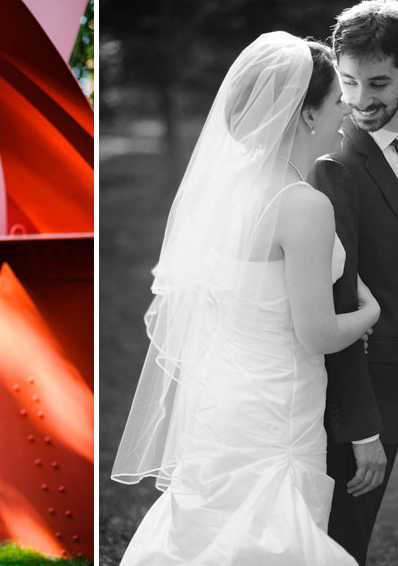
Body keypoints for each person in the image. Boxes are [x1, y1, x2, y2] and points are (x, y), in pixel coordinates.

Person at [111, 32, 380, 565]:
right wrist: (370, 312)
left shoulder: (230, 189)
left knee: (212, 530)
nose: (345, 114)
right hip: (276, 406)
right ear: (304, 114)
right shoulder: (302, 204)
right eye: (333, 103)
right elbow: (318, 333)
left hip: (221, 398)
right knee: (271, 535)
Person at [308, 0, 398, 566]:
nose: (360, 100)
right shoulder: (339, 169)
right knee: (339, 546)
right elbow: (336, 303)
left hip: (393, 390)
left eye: (378, 84)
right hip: (359, 408)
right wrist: (361, 432)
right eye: (349, 82)